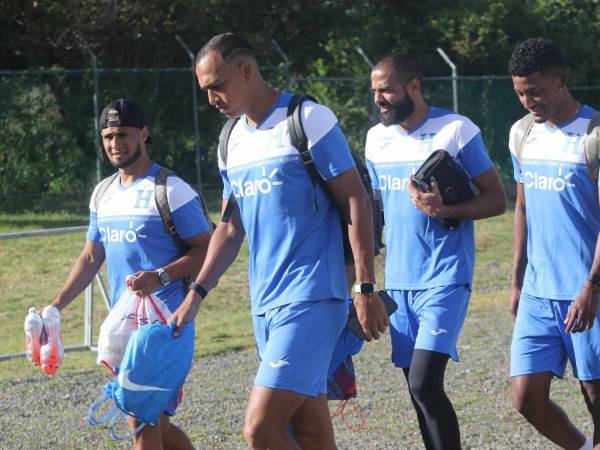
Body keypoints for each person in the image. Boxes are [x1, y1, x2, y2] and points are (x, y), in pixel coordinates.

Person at [169, 33, 389, 450]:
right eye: (205, 90)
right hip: (264, 304)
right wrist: (195, 294)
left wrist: (364, 287)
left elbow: (355, 198)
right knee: (307, 431)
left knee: (261, 428)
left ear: (247, 70)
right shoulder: (230, 140)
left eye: (217, 84)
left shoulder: (307, 119)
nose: (212, 97)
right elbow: (230, 227)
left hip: (314, 297)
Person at [49, 99, 211, 450]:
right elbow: (91, 256)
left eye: (123, 133)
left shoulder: (171, 189)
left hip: (165, 325)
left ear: (144, 134)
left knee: (142, 424)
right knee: (157, 426)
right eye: (108, 135)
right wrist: (56, 307)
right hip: (124, 326)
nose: (114, 142)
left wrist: (161, 276)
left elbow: (207, 250)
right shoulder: (102, 193)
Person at [365, 54, 506, 450]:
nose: (380, 99)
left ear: (413, 87)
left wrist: (445, 210)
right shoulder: (376, 138)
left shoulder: (456, 130)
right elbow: (374, 210)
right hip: (398, 282)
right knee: (416, 393)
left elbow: (496, 200)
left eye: (387, 90)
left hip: (445, 277)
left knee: (425, 382)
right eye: (375, 91)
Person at [508, 37, 600, 450]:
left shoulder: (593, 136)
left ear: (561, 80)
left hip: (587, 292)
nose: (529, 100)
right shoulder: (523, 134)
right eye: (521, 93)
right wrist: (516, 281)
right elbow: (523, 209)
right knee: (526, 398)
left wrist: (591, 287)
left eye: (536, 91)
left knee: (597, 401)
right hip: (538, 293)